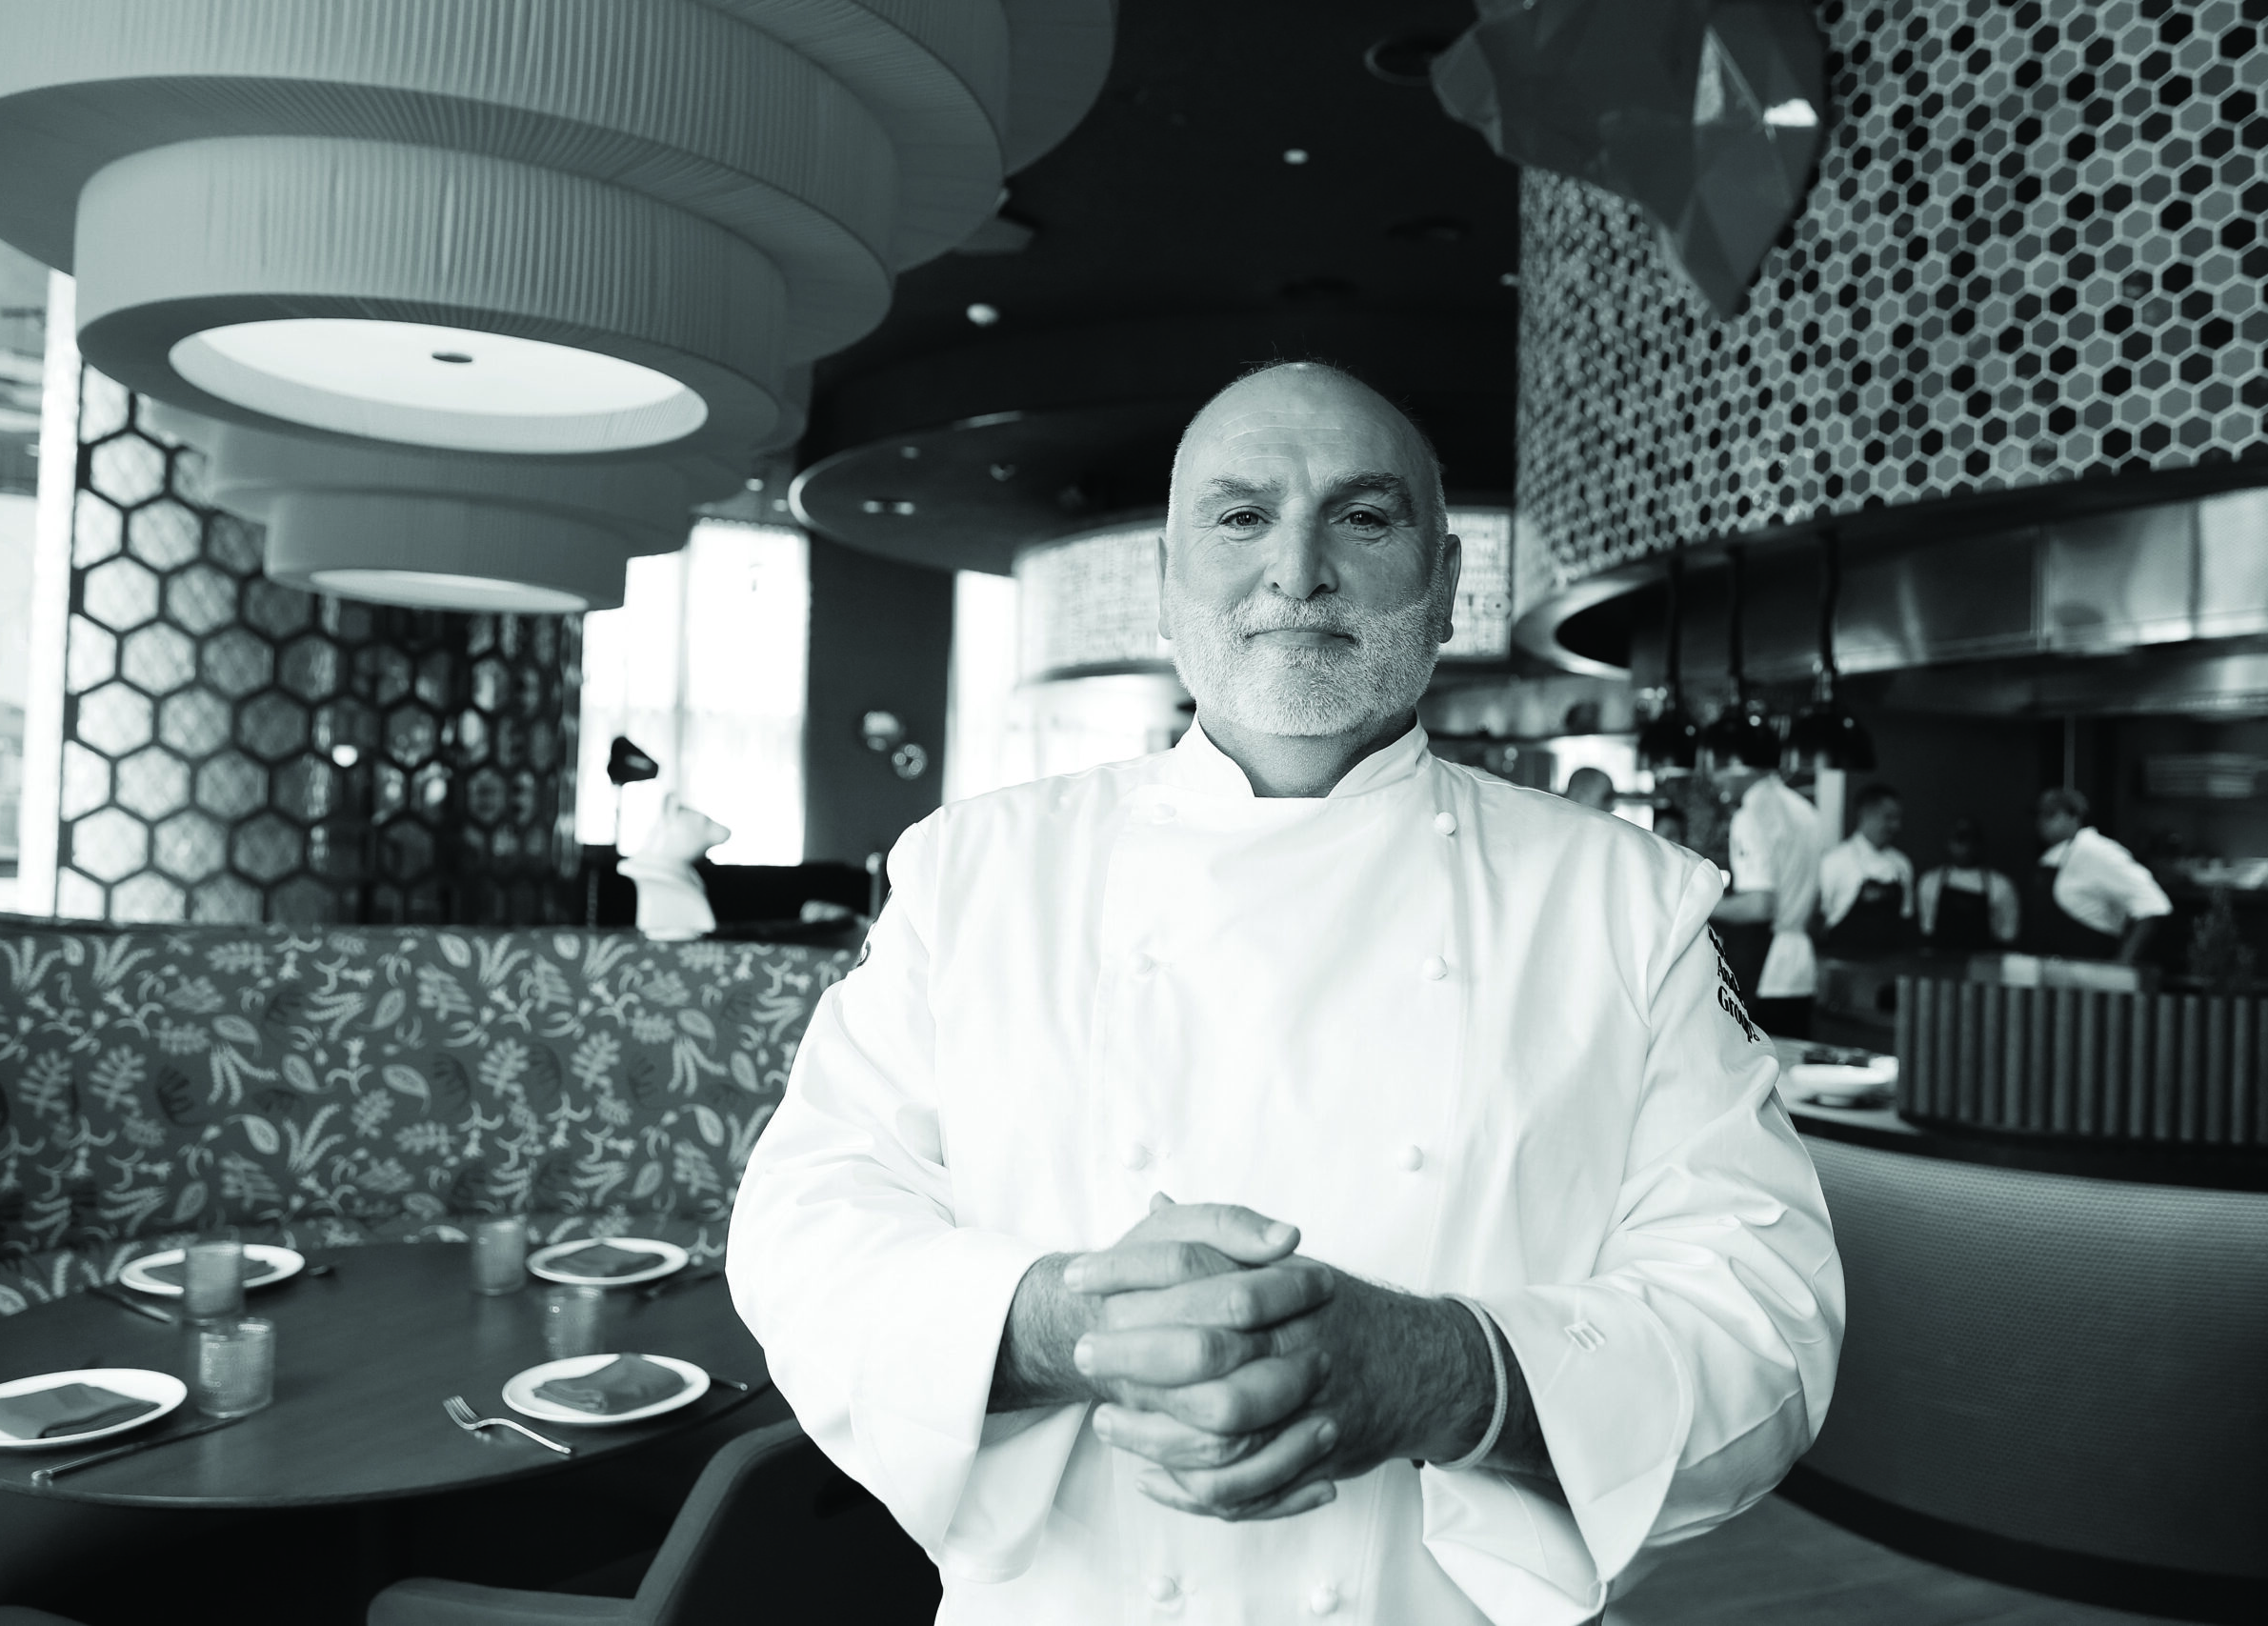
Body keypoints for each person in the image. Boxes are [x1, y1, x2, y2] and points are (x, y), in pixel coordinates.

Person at [728, 363, 1843, 1624]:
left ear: (1446, 577)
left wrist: (1446, 1375)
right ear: (1168, 574)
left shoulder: (1629, 902)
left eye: (1364, 517)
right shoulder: (971, 870)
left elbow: (1768, 1325)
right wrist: (1066, 1318)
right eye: (1240, 514)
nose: (1297, 568)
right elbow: (803, 1227)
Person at [1707, 755, 1827, 1040]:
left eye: (1718, 767)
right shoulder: (1805, 811)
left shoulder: (1751, 815)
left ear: (1740, 766)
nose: (1715, 779)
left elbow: (1760, 906)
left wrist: (1697, 903)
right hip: (1800, 968)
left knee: (1754, 1071)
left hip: (1765, 967)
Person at [2026, 787, 2170, 964]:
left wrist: (2123, 961)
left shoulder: (2097, 850)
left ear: (2075, 817)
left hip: (2092, 975)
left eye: (2050, 814)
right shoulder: (2051, 857)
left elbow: (2153, 904)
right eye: (2039, 815)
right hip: (2052, 975)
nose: (2042, 822)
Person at [1816, 783, 1914, 960]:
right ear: (1866, 814)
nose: (1896, 826)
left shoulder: (1902, 865)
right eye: (1889, 818)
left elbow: (1906, 918)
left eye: (1898, 819)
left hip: (1889, 968)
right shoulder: (1834, 862)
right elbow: (1819, 918)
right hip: (1842, 967)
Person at [1917, 817, 2018, 951]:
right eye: (1960, 840)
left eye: (1971, 840)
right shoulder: (1930, 882)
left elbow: (2008, 935)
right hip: (1941, 963)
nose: (1965, 847)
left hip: (1984, 964)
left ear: (1980, 844)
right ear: (1948, 843)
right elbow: (1927, 930)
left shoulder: (2001, 885)